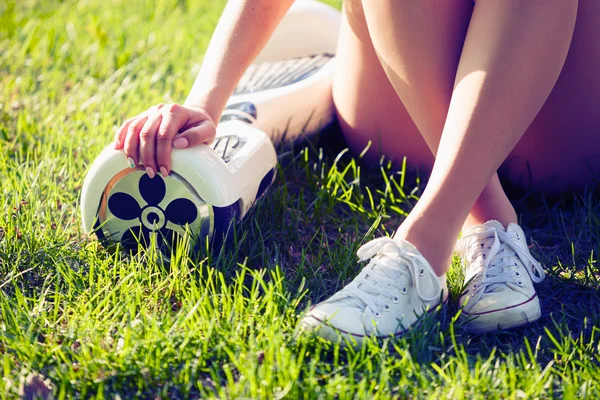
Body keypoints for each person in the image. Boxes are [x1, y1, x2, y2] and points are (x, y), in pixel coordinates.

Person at [113, 0, 600, 342]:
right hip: (402, 116)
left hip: (557, 119)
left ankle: (427, 239)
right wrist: (206, 101)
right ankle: (489, 217)